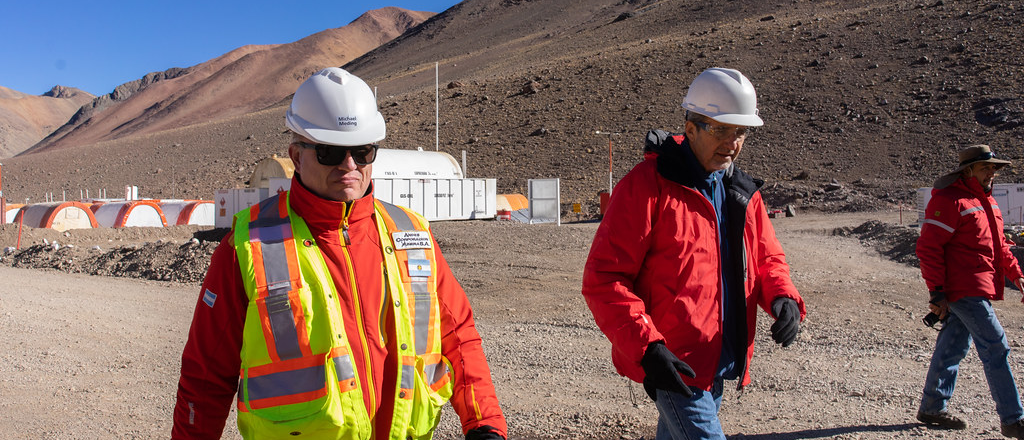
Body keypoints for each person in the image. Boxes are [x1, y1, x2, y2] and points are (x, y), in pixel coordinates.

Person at [172, 67, 507, 440]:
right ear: (296, 157)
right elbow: (205, 379)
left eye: (363, 152)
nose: (350, 166)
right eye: (331, 152)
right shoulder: (247, 247)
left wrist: (485, 423)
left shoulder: (411, 232)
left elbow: (458, 334)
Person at [581, 67, 806, 440]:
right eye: (721, 130)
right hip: (673, 364)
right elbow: (604, 279)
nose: (732, 143)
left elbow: (767, 259)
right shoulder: (646, 187)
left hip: (720, 359)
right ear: (690, 128)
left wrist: (783, 297)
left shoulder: (742, 193)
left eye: (741, 132)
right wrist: (647, 347)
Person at [916, 144, 1024, 438]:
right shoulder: (950, 201)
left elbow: (1000, 247)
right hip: (963, 288)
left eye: (993, 168)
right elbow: (928, 248)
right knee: (995, 345)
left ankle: (932, 407)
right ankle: (1013, 419)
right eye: (985, 167)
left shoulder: (987, 201)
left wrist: (1016, 274)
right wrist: (936, 291)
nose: (991, 173)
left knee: (953, 345)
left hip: (978, 286)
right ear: (968, 171)